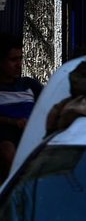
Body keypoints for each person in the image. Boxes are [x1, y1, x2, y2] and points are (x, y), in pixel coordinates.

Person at [0, 33, 41, 177]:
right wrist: (14, 122)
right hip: (7, 137)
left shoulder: (28, 85)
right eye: (13, 60)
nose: (18, 64)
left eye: (20, 59)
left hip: (32, 136)